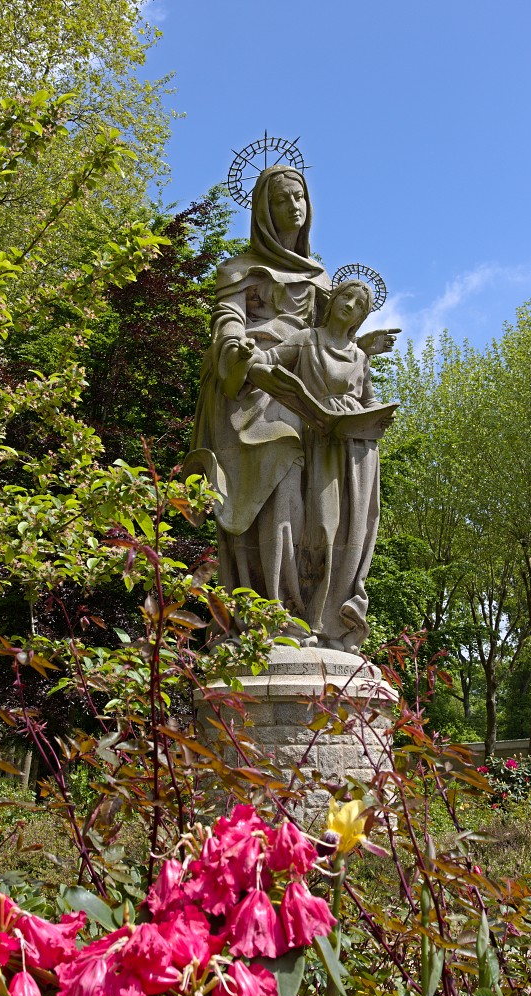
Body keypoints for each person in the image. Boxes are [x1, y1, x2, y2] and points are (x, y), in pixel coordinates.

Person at [186, 165, 398, 646]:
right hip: (254, 391)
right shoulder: (239, 270)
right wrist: (238, 350)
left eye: (300, 197)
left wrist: (362, 345)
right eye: (282, 199)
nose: (294, 207)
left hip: (309, 396)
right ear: (264, 208)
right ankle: (268, 614)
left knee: (322, 514)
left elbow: (330, 339)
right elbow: (227, 324)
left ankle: (316, 616)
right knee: (279, 493)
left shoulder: (320, 278)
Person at [242, 280, 396, 652]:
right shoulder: (307, 339)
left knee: (351, 536)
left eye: (360, 303)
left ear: (362, 316)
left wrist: (374, 418)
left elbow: (368, 399)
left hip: (358, 451)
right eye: (346, 296)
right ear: (332, 302)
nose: (350, 305)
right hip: (318, 443)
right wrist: (247, 351)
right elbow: (267, 362)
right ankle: (302, 619)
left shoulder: (359, 357)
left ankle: (332, 627)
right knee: (321, 532)